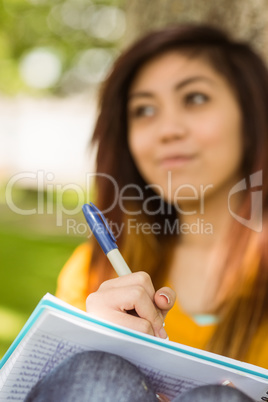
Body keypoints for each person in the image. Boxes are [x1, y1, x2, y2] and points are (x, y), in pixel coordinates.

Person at [27, 23, 268, 400]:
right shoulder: (92, 272)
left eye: (195, 98)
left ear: (251, 117)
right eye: (144, 110)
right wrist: (90, 344)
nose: (166, 130)